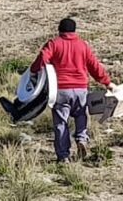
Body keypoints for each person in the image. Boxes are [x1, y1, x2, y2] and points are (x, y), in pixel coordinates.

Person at [29, 18, 114, 163]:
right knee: (81, 115)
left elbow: (43, 56)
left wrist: (33, 71)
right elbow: (94, 66)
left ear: (60, 30)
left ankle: (63, 156)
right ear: (75, 31)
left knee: (61, 122)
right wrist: (107, 82)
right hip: (80, 89)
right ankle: (81, 138)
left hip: (61, 90)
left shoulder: (54, 43)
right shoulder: (82, 45)